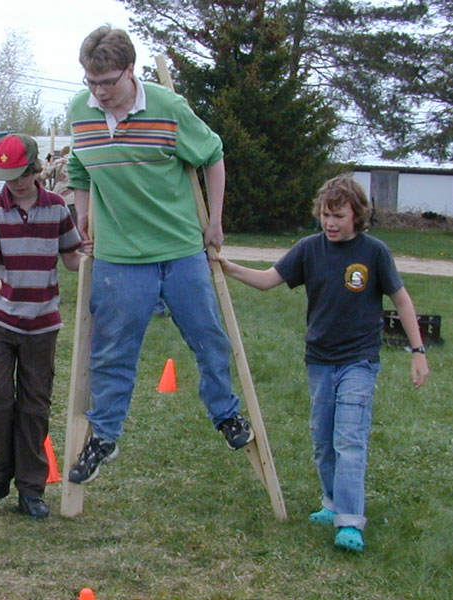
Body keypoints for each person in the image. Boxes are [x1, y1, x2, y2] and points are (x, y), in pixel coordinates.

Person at [66, 25, 254, 485]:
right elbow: (78, 168)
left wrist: (214, 219)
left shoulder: (169, 109)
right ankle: (105, 436)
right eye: (92, 81)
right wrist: (82, 216)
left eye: (108, 82)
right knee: (112, 350)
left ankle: (225, 414)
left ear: (130, 71)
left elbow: (212, 155)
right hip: (119, 256)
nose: (100, 92)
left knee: (209, 339)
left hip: (179, 249)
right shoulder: (79, 111)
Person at [215, 174, 429, 553]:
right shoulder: (309, 249)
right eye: (325, 215)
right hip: (319, 361)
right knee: (324, 440)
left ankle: (350, 521)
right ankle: (332, 504)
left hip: (359, 361)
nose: (330, 223)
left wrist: (418, 352)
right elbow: (268, 280)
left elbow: (402, 300)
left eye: (339, 216)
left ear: (357, 215)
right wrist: (229, 268)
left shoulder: (374, 252)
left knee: (349, 439)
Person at [0, 134, 87, 518]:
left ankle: (31, 489)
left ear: (35, 169)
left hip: (41, 323)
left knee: (35, 406)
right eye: (7, 175)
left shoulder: (56, 208)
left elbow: (71, 259)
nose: (14, 182)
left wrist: (91, 255)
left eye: (20, 174)